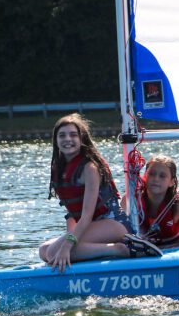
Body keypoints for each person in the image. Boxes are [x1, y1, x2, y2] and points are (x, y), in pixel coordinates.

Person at [39, 113, 161, 272]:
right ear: (56, 140)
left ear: (81, 139)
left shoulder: (90, 168)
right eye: (62, 135)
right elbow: (72, 214)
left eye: (73, 135)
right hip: (93, 226)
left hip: (115, 224)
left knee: (53, 251)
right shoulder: (59, 168)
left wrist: (67, 245)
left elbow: (86, 216)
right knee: (44, 250)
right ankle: (101, 251)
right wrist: (70, 242)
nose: (67, 139)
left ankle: (120, 249)